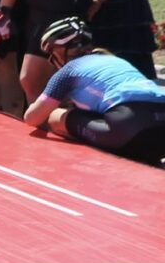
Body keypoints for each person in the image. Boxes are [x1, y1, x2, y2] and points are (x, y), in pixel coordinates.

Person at [27, 18, 165, 164]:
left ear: (61, 51)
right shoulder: (115, 60)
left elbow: (32, 118)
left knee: (55, 116)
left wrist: (32, 108)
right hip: (160, 128)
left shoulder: (69, 70)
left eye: (51, 54)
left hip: (128, 126)